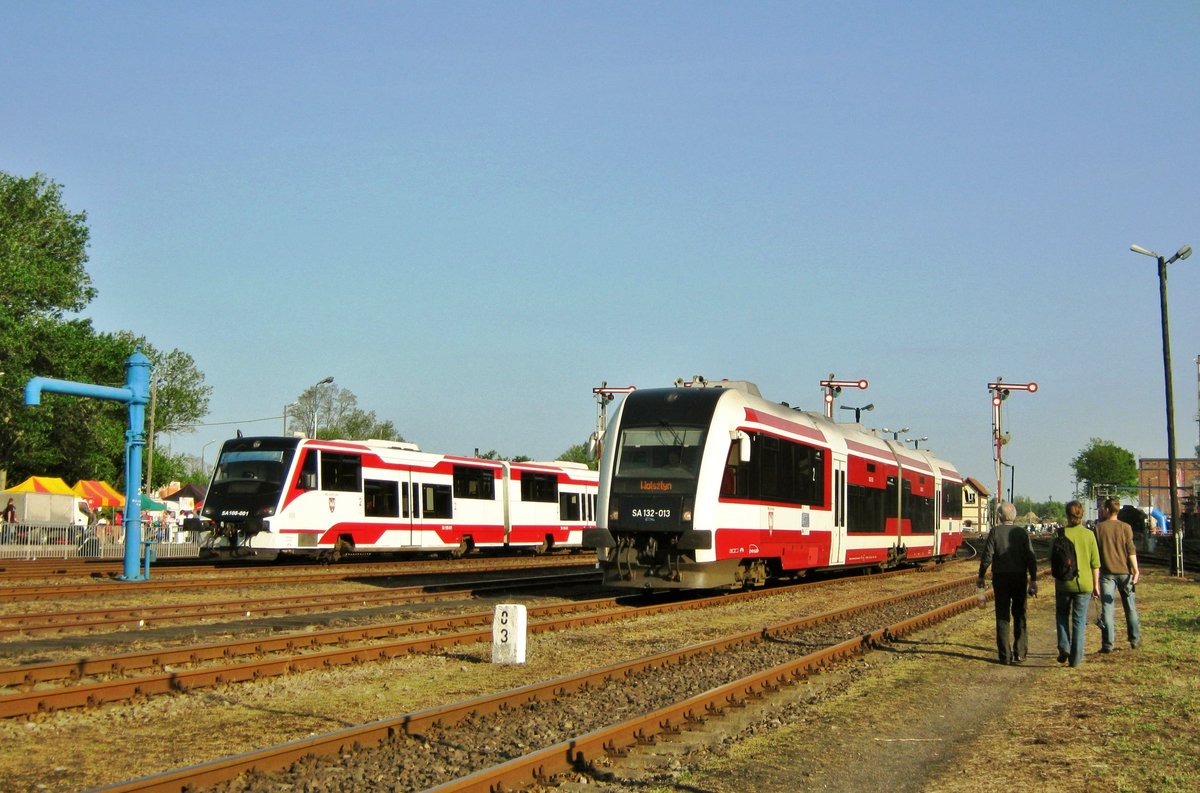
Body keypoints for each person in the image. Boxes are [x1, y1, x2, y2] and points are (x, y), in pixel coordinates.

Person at [977, 501, 1038, 665]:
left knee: (1002, 615)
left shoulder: (995, 532)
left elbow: (987, 557)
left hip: (1001, 578)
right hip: (1019, 577)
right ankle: (1021, 651)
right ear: (1014, 516)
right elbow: (1031, 558)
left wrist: (981, 575)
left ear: (1000, 516)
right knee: (1020, 614)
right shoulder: (1022, 533)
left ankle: (1005, 655)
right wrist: (1033, 578)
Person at [1055, 500, 1101, 667]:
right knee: (1079, 621)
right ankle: (1075, 659)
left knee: (1061, 615)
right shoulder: (1089, 535)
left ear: (1067, 515)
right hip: (1084, 584)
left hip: (1063, 583)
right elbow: (1095, 563)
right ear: (1082, 515)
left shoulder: (1059, 534)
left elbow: (1050, 556)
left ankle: (1064, 646)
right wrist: (1096, 585)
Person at [1095, 498, 1141, 652]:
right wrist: (1136, 570)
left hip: (1107, 574)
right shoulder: (1126, 527)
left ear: (1107, 510)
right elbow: (1131, 550)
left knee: (1107, 609)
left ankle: (1108, 644)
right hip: (1125, 573)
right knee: (1130, 607)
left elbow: (1095, 556)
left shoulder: (1098, 529)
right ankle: (1134, 639)